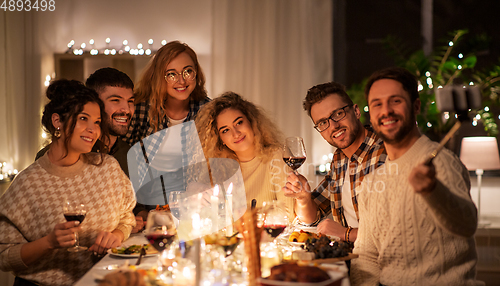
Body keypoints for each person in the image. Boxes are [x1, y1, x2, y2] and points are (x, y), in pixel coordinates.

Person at [351, 67, 482, 286]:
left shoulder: (442, 162)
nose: (385, 110)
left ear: (416, 106)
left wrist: (433, 191)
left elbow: (467, 224)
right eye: (377, 104)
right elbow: (365, 254)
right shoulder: (372, 182)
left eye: (395, 101)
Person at [0, 79, 136, 286]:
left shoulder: (107, 168)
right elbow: (4, 256)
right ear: (57, 122)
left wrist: (116, 235)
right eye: (83, 119)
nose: (93, 130)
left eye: (96, 122)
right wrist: (48, 242)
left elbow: (126, 219)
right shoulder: (28, 183)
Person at [36, 67, 147, 232]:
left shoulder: (131, 154)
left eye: (130, 101)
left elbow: (138, 208)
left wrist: (141, 219)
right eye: (115, 100)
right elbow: (48, 220)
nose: (126, 109)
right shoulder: (57, 156)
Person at [283, 82, 386, 243]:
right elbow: (312, 217)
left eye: (338, 114)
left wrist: (346, 233)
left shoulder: (385, 153)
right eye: (323, 123)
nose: (333, 126)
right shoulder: (340, 159)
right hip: (350, 261)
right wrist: (303, 198)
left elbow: (394, 228)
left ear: (356, 111)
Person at [195, 92, 295, 220]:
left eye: (239, 123)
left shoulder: (277, 155)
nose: (235, 133)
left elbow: (288, 214)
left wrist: (245, 218)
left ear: (252, 122)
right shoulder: (220, 168)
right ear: (220, 139)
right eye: (225, 130)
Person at [124, 40, 210, 145]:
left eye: (188, 71)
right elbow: (122, 153)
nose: (182, 81)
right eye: (171, 74)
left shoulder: (209, 111)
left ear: (196, 72)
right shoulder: (139, 109)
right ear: (158, 77)